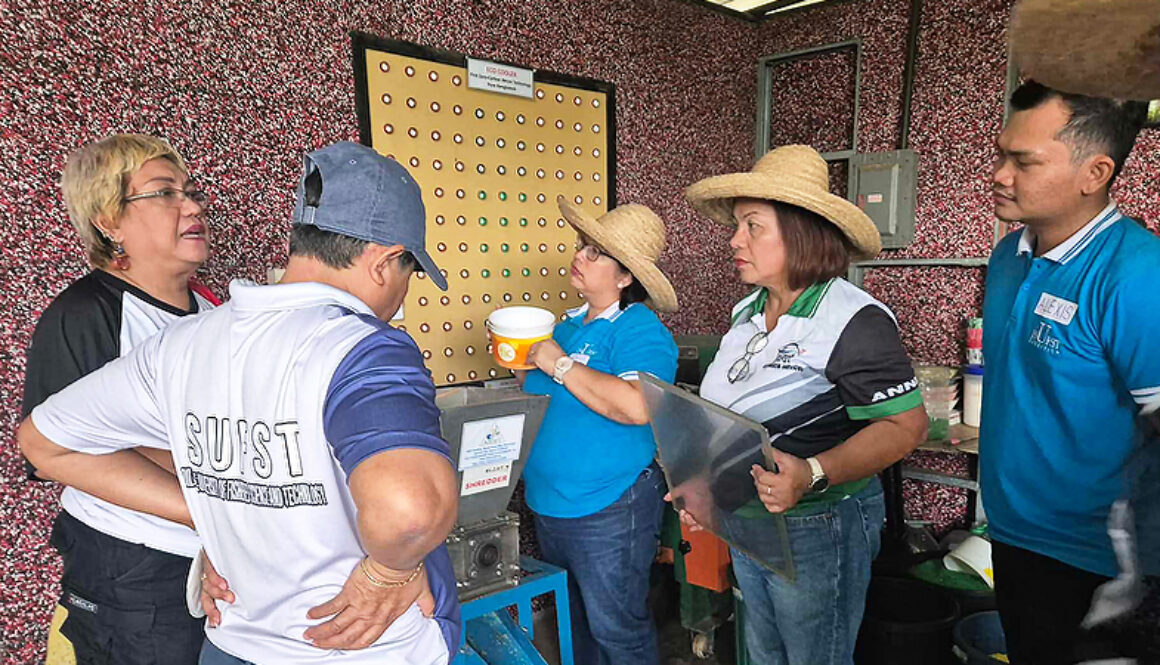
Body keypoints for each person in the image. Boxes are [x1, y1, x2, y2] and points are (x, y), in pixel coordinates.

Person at [20, 141, 461, 664]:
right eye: (410, 274)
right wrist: (387, 571)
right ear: (386, 263)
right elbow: (408, 513)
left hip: (232, 640)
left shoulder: (189, 335)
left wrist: (218, 516)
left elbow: (43, 442)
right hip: (348, 647)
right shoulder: (361, 345)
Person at [683, 144, 928, 665]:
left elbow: (906, 427)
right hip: (751, 516)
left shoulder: (854, 320)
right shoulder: (746, 312)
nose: (734, 240)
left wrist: (814, 472)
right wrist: (704, 481)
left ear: (802, 233)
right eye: (737, 226)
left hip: (820, 524)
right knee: (764, 650)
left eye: (753, 226)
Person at [21, 133, 216, 665]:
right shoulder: (86, 314)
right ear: (109, 220)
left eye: (189, 190)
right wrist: (211, 498)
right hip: (132, 574)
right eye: (165, 193)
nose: (193, 205)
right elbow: (56, 451)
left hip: (217, 560)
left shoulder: (213, 312)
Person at [981, 80, 1154, 664]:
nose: (1000, 174)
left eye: (1023, 161)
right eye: (1001, 154)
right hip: (1010, 529)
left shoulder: (1136, 277)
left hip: (1095, 557)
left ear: (1095, 172)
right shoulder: (1008, 257)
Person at [516, 196, 679, 665]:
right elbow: (542, 390)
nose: (579, 257)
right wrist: (520, 360)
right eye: (582, 245)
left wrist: (557, 362)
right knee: (577, 623)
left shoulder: (639, 331)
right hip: (551, 503)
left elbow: (635, 407)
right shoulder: (564, 326)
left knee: (616, 628)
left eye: (594, 252)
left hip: (610, 507)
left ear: (626, 277)